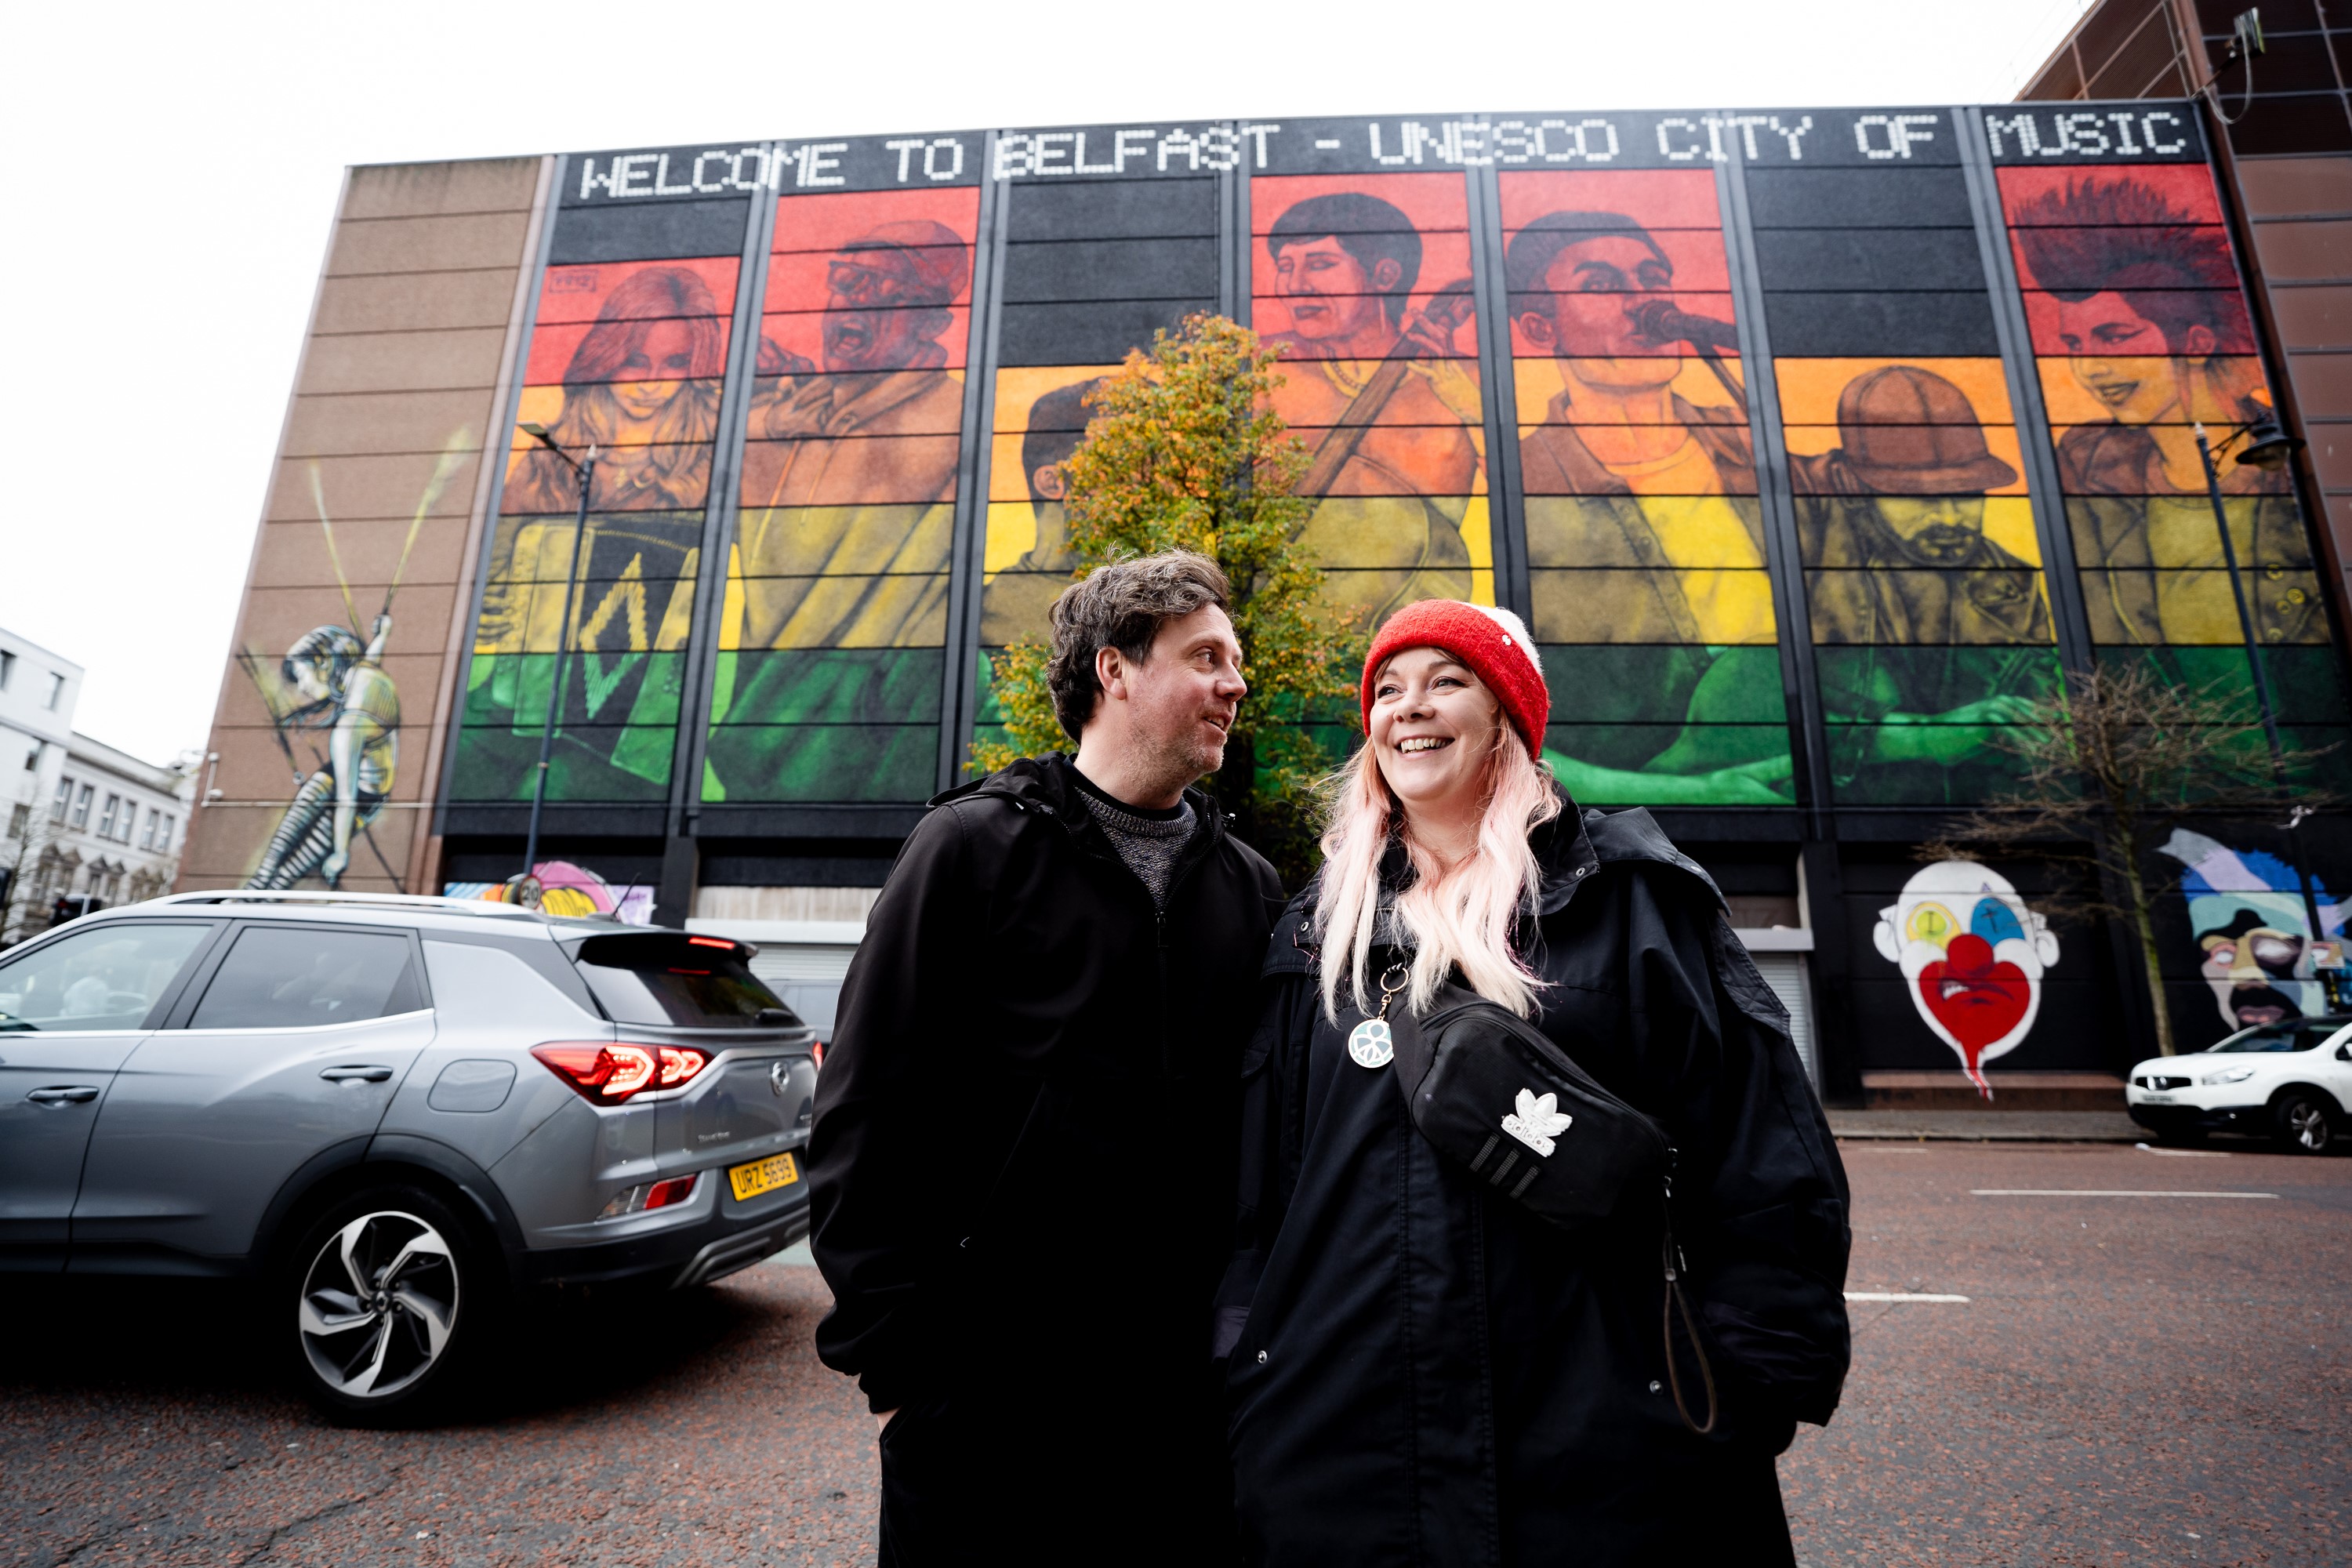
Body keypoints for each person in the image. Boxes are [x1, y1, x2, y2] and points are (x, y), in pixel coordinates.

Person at [1218, 597, 1849, 1565]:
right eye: (1387, 689)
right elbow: (1257, 1184)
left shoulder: (1634, 899)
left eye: (1445, 681)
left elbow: (1762, 1150)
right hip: (1343, 1452)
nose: (1407, 708)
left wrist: (1747, 1384)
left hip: (1610, 1454)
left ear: (1507, 713)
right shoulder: (1314, 929)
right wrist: (1247, 1362)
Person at [809, 551, 1288, 1566]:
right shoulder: (973, 849)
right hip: (987, 1406)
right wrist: (901, 1376)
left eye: (1235, 662)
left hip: (1182, 1414)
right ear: (1115, 671)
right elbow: (862, 1114)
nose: (1235, 685)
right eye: (1206, 657)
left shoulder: (1247, 890)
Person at [1505, 211, 1792, 806]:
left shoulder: (1758, 454)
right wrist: (1693, 791)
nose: (1642, 303)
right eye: (1602, 284)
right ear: (1539, 327)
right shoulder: (1516, 491)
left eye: (1651, 278)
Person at [2010, 176, 2321, 647]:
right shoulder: (2087, 463)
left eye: (2115, 338)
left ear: (2196, 344)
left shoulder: (2287, 455)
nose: (2089, 369)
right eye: (2074, 345)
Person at [1794, 365, 2051, 801]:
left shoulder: (2010, 585)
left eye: (1969, 495)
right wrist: (1921, 738)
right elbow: (1770, 711)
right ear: (1857, 485)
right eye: (1924, 497)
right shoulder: (1810, 551)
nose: (1951, 519)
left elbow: (2046, 726)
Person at [1263, 192, 1483, 624]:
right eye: (1286, 267)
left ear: (1384, 275)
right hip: (1283, 633)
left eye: (1320, 264)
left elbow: (1534, 495)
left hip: (1412, 625)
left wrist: (1467, 403)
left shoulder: (1460, 379)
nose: (1294, 285)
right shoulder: (1266, 369)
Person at [247, 615, 397, 890]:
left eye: (301, 675)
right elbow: (371, 658)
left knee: (292, 867)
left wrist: (340, 854)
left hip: (363, 796)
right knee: (298, 817)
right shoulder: (367, 676)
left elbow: (346, 800)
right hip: (348, 777)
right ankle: (255, 887)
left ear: (324, 664)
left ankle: (257, 894)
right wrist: (383, 635)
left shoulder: (350, 727)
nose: (300, 687)